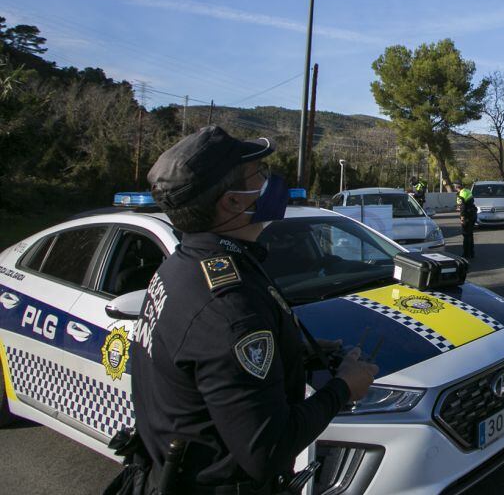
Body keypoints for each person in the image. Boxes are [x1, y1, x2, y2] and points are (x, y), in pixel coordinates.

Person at [125, 126, 378, 494]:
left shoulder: (185, 266)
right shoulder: (229, 308)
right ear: (230, 202)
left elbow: (209, 370)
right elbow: (267, 449)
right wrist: (344, 388)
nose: (271, 181)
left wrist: (293, 351)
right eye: (259, 174)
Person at [457, 185, 477, 259]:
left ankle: (466, 254)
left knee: (466, 236)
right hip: (472, 214)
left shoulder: (461, 194)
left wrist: (462, 218)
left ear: (456, 187)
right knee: (470, 235)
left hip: (467, 216)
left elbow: (462, 207)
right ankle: (471, 253)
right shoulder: (467, 191)